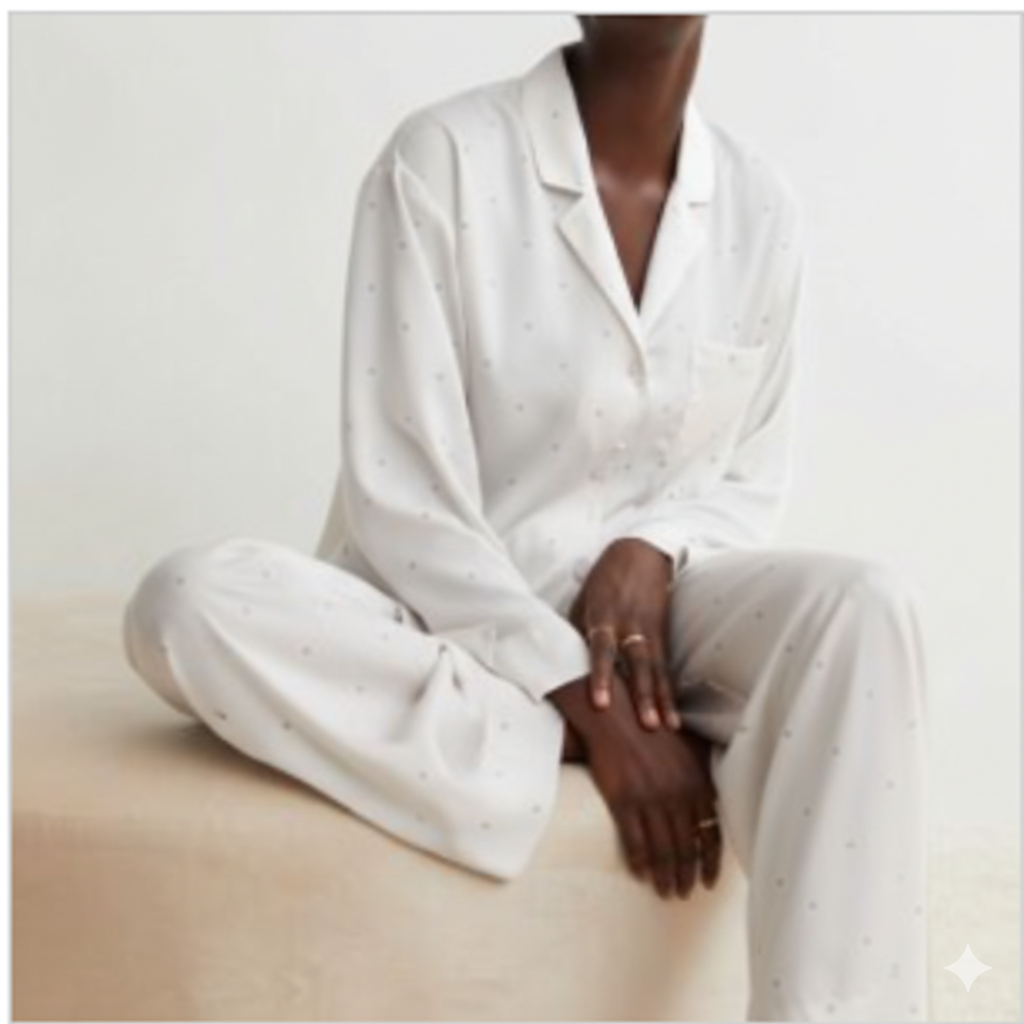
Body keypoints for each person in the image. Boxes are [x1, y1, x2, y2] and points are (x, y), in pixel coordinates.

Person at [122, 14, 929, 1022]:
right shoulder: (440, 161)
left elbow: (747, 478)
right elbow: (402, 497)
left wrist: (649, 548)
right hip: (441, 631)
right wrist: (588, 702)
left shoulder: (759, 207)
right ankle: (561, 735)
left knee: (863, 607)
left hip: (657, 635)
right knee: (184, 602)